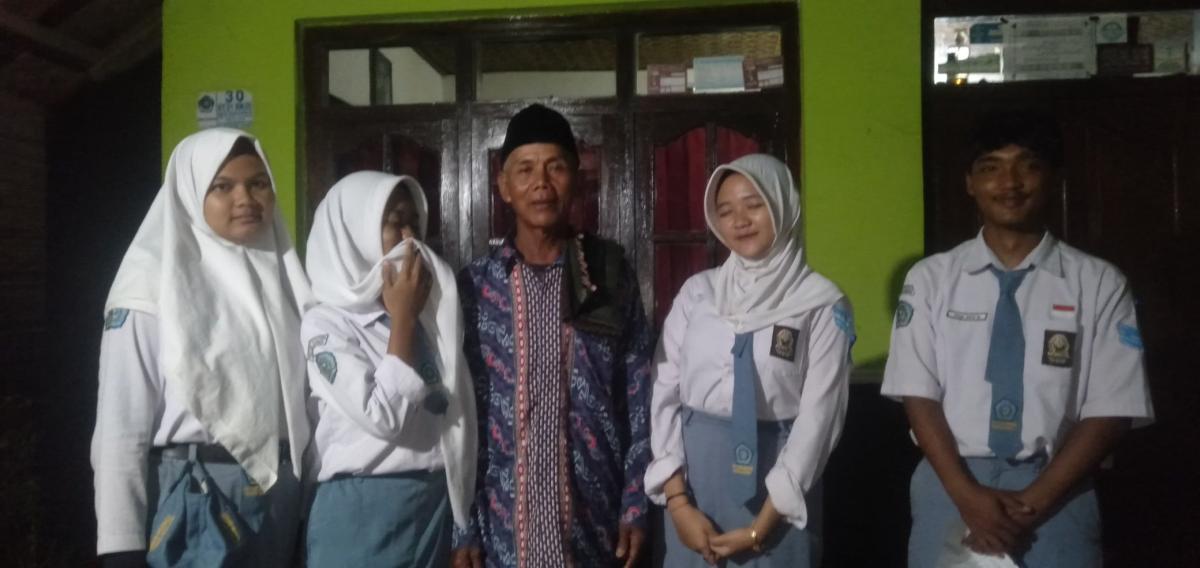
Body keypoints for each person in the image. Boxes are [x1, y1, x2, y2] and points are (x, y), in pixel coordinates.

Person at [881, 110, 1154, 567]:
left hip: (1058, 490)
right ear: (969, 182)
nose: (1009, 183)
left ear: (1053, 177)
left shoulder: (1099, 283)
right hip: (951, 484)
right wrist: (967, 497)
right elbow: (918, 395)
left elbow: (1111, 409)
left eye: (1027, 165)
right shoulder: (930, 280)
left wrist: (1031, 505)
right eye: (991, 167)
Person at [91, 129, 312, 567]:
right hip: (196, 498)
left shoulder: (286, 284)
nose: (245, 199)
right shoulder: (149, 288)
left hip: (280, 499)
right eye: (222, 186)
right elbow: (120, 428)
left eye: (258, 183)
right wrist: (121, 546)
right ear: (190, 193)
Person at [452, 104, 654, 567]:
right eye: (525, 170)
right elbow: (458, 413)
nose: (541, 183)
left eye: (555, 167)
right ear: (504, 186)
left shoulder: (609, 275)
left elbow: (639, 394)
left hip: (595, 527)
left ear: (576, 180)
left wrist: (636, 500)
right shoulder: (475, 288)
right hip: (501, 532)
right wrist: (463, 525)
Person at [645, 154, 853, 567]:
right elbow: (664, 391)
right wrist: (679, 504)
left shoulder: (822, 303)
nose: (739, 221)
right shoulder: (698, 293)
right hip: (695, 482)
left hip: (782, 484)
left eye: (754, 204)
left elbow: (821, 414)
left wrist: (763, 526)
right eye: (725, 211)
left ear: (782, 205)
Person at [301, 171, 476, 567]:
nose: (409, 237)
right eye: (395, 222)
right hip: (363, 508)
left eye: (414, 223)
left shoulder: (427, 315)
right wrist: (403, 320)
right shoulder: (326, 323)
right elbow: (383, 417)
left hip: (431, 503)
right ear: (352, 233)